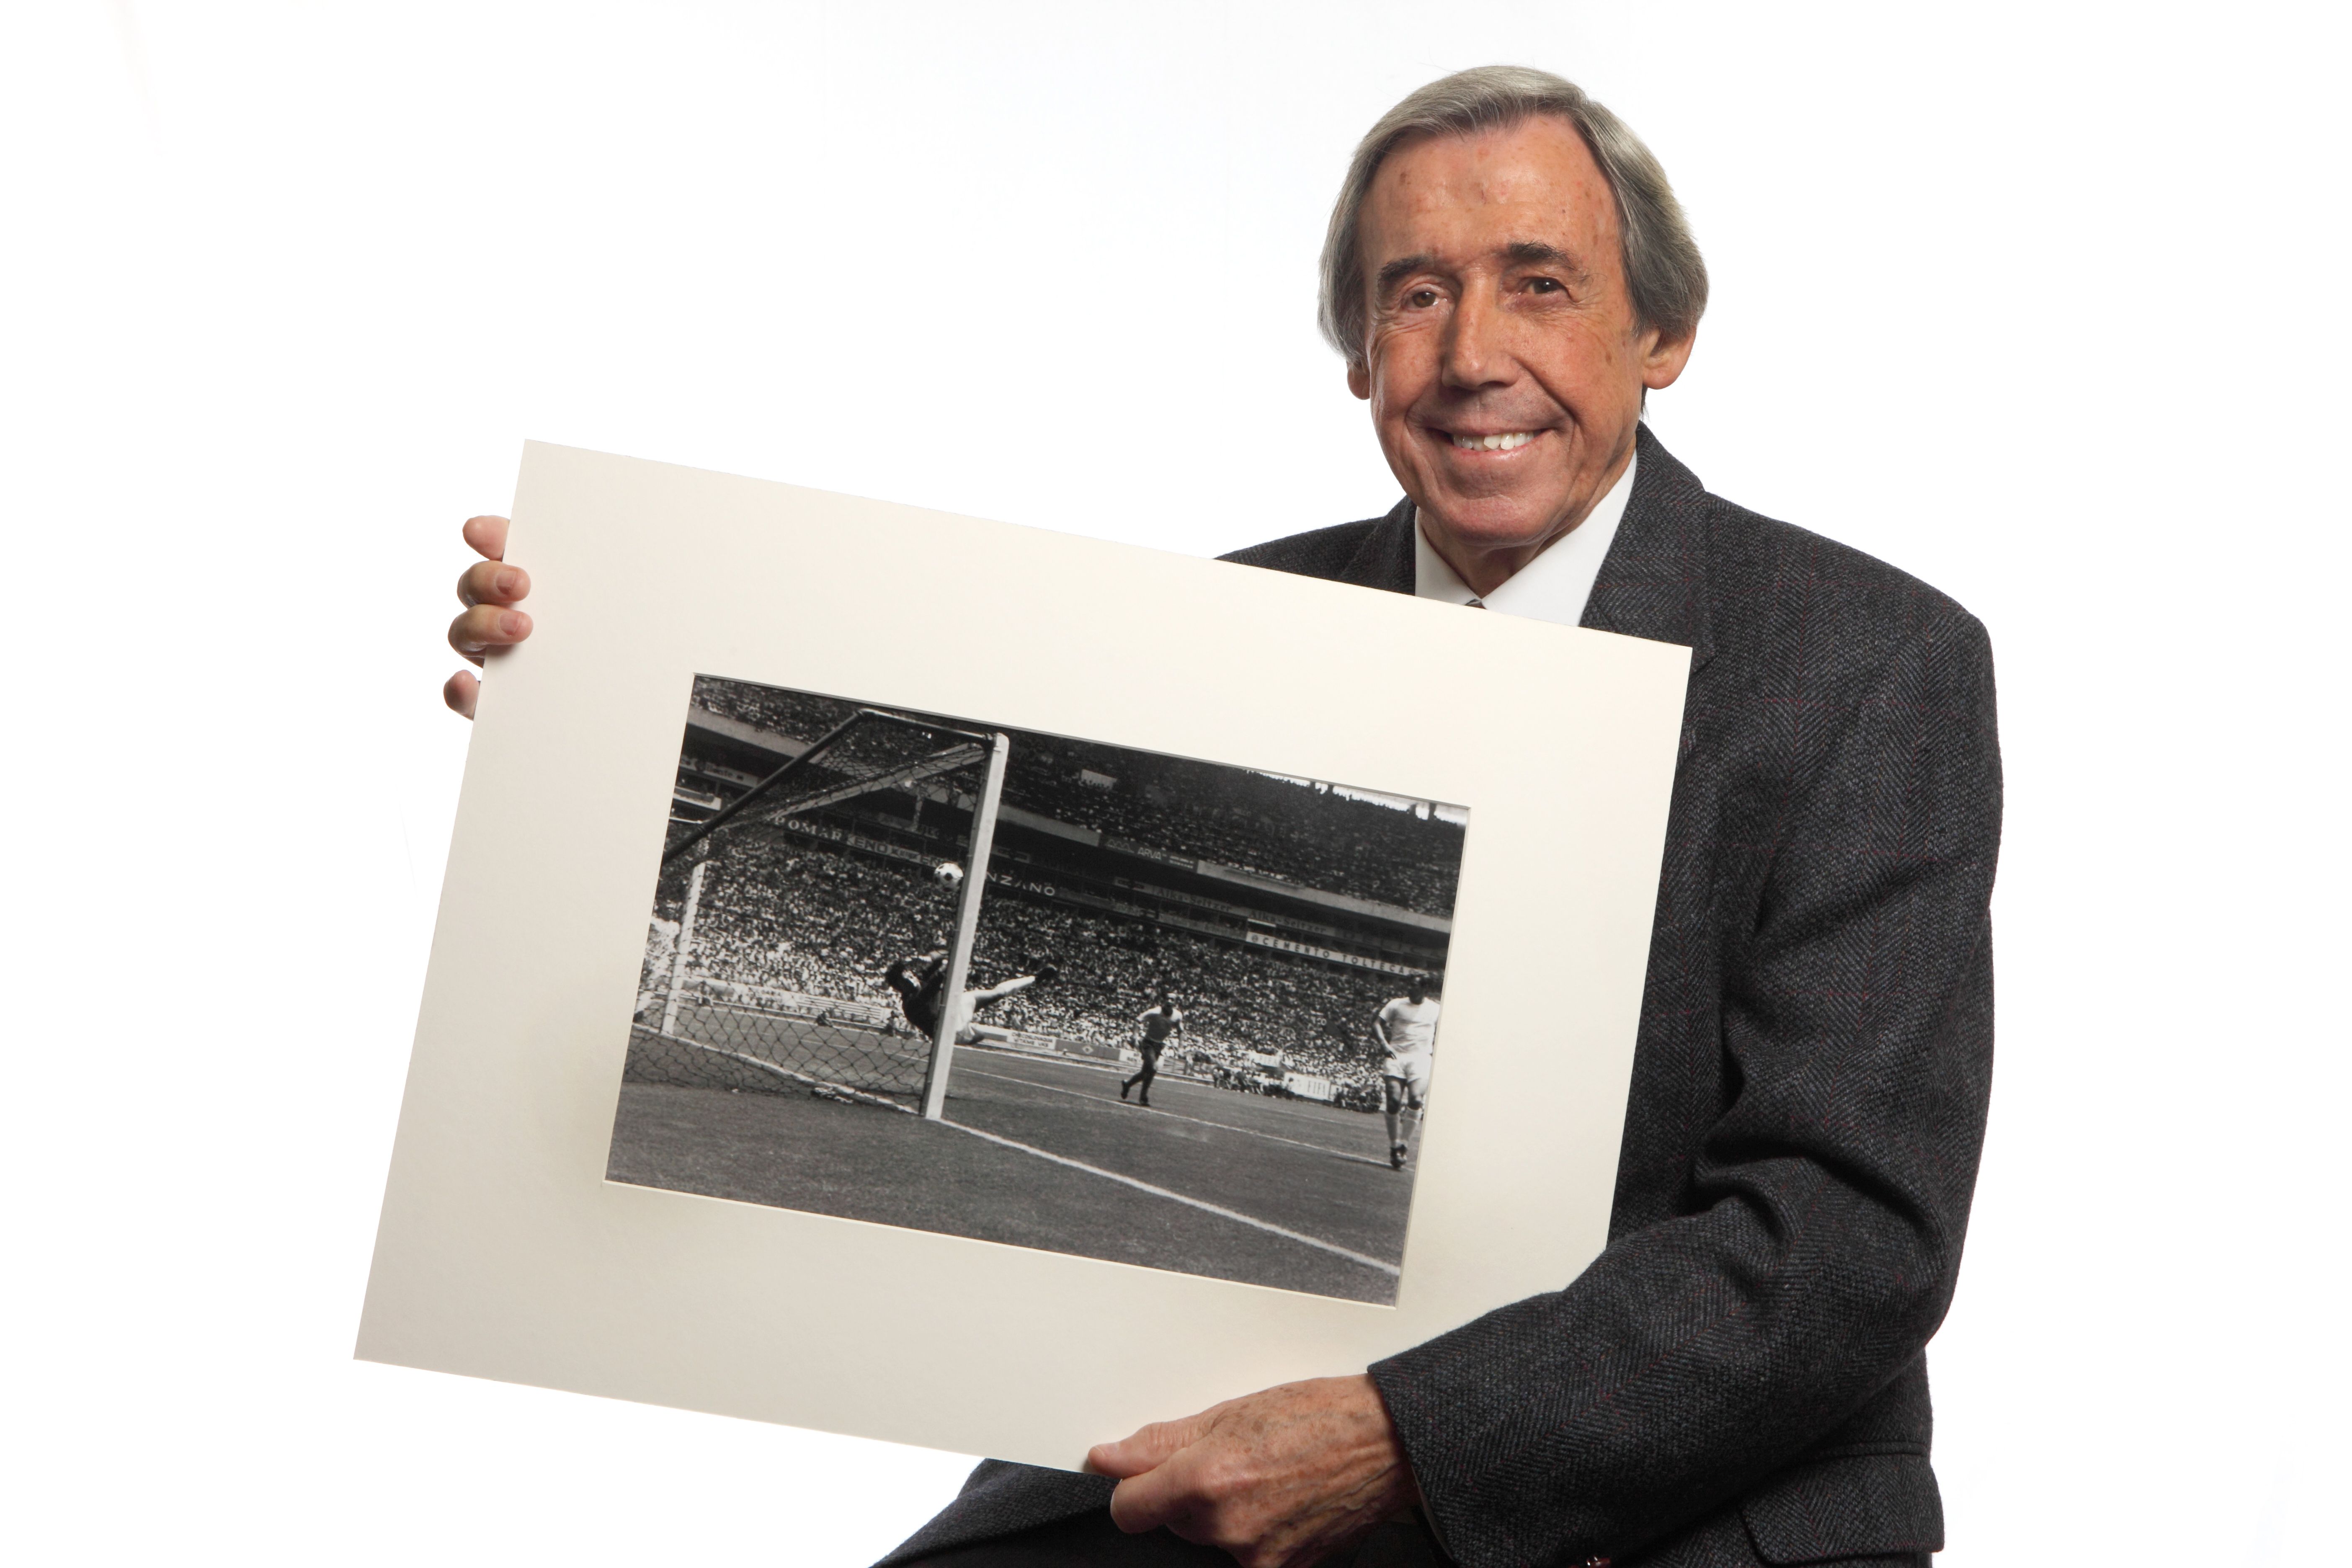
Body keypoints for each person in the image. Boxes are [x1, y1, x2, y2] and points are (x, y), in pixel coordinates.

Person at [442, 64, 2000, 1568]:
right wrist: (587, 689)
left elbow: (1848, 1230)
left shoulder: (1866, 666)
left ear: (1659, 329)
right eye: (1413, 292)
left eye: (1538, 283)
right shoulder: (1239, 618)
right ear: (1354, 353)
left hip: (1652, 1502)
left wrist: (1403, 1441)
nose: (1469, 353)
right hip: (1212, 1451)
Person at [885, 951, 1057, 1045]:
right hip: (951, 1028)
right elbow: (931, 989)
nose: (911, 977)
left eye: (909, 973)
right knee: (979, 1036)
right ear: (899, 986)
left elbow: (942, 955)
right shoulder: (910, 1005)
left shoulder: (919, 982)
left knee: (997, 993)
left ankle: (1036, 978)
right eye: (905, 977)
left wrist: (931, 956)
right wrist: (946, 967)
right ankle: (972, 1031)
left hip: (954, 1005)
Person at [1370, 977, 1438, 1171]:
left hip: (1421, 1058)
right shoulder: (1396, 1004)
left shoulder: (1436, 1009)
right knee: (1393, 1101)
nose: (1410, 988)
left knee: (1416, 1099)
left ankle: (1404, 1145)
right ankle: (1394, 1145)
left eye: (1414, 986)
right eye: (1409, 985)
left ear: (1425, 988)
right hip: (1397, 1055)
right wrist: (1384, 1045)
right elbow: (1376, 1023)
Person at [1120, 990, 1183, 1106]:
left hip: (1159, 1045)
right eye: (1168, 999)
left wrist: (1181, 1048)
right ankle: (1143, 1097)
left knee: (1146, 1072)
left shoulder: (1178, 1015)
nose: (1170, 1001)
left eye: (1172, 1000)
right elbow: (1138, 1020)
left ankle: (1128, 1085)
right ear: (1164, 1001)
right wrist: (1135, 1036)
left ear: (1176, 1003)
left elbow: (1181, 1031)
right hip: (1148, 1043)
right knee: (1153, 1068)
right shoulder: (1155, 1012)